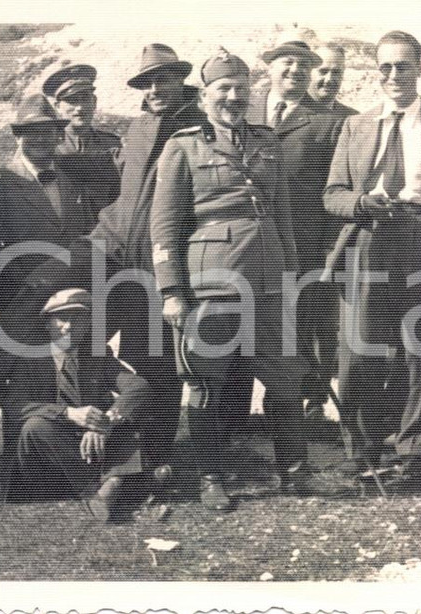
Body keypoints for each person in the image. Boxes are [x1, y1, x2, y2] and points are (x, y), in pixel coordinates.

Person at [0, 43, 206, 495]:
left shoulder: (199, 129)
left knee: (152, 354)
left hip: (157, 257)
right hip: (112, 247)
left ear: (182, 81)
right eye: (146, 82)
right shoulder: (137, 129)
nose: (155, 89)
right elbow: (85, 168)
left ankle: (150, 456)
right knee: (47, 313)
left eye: (163, 80)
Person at [152, 49, 317, 512]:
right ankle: (210, 476)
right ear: (204, 97)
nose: (233, 97)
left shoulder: (267, 142)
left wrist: (290, 276)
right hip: (212, 283)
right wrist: (171, 290)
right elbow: (164, 226)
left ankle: (295, 470)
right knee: (206, 381)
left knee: (284, 379)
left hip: (267, 283)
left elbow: (281, 215)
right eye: (223, 89)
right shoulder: (182, 146)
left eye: (241, 89)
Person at [323, 31, 421, 482]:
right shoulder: (357, 125)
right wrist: (361, 203)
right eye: (384, 67)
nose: (393, 75)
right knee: (360, 347)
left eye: (402, 66)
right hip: (370, 238)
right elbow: (331, 195)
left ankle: (415, 450)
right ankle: (360, 447)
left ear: (419, 68)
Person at [0, 94, 97, 484]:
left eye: (47, 133)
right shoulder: (2, 180)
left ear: (58, 135)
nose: (39, 141)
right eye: (29, 133)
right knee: (22, 379)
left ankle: (64, 461)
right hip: (23, 299)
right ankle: (14, 468)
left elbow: (84, 234)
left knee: (67, 373)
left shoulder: (69, 181)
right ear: (18, 137)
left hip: (68, 298)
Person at [247, 35, 344, 407]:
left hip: (301, 245)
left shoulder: (329, 122)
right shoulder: (243, 110)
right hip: (246, 245)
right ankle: (234, 419)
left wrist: (329, 249)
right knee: (245, 329)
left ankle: (304, 409)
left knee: (302, 330)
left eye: (304, 65)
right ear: (269, 67)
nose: (296, 70)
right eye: (286, 62)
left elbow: (336, 189)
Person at [14, 288, 155, 522]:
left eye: (78, 319)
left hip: (93, 444)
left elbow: (138, 387)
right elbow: (16, 405)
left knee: (126, 419)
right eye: (62, 318)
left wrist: (103, 423)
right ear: (47, 323)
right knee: (34, 427)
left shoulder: (97, 354)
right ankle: (113, 485)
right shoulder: (29, 360)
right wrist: (68, 413)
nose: (69, 327)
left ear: (88, 324)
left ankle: (112, 485)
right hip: (55, 449)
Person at [43, 63, 122, 212]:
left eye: (85, 98)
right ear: (57, 106)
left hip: (104, 231)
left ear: (94, 102)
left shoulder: (111, 144)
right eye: (72, 100)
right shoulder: (43, 146)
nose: (79, 108)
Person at [308, 44, 359, 116]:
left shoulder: (351, 118)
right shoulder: (291, 113)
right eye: (323, 71)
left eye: (336, 72)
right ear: (308, 71)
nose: (329, 79)